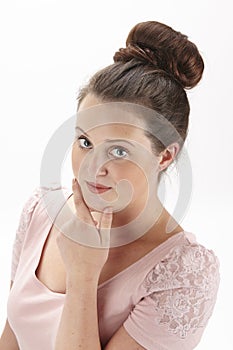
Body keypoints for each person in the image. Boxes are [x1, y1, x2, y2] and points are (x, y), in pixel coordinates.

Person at [0, 20, 220, 350]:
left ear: (164, 157)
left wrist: (83, 276)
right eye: (85, 142)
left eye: (119, 151)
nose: (93, 167)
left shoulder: (183, 276)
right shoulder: (40, 212)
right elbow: (10, 340)